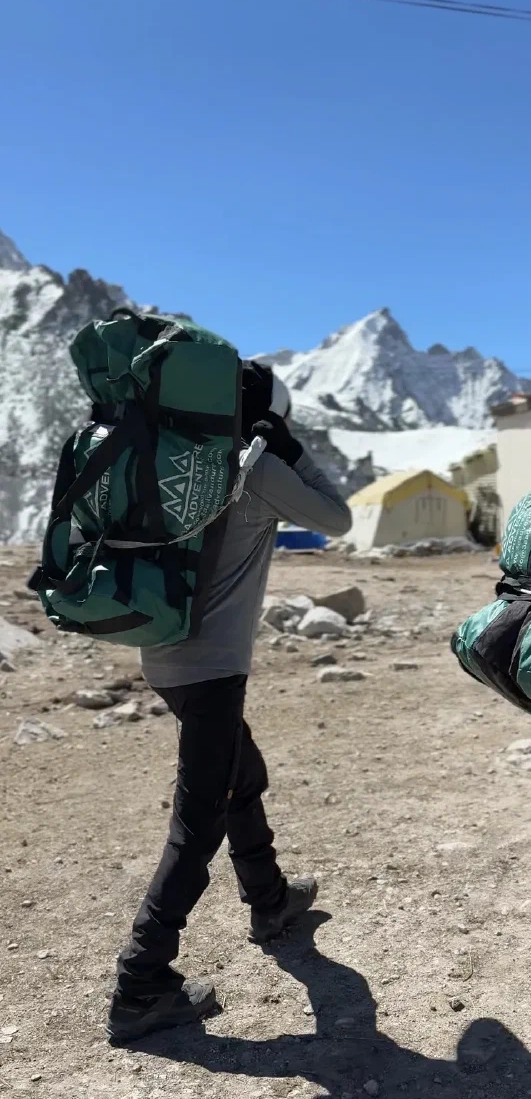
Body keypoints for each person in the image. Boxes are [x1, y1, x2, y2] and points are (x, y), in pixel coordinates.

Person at [107, 365, 352, 1043]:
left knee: (243, 772)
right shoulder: (256, 473)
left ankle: (269, 899)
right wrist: (288, 446)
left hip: (160, 655)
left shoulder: (176, 462)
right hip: (213, 667)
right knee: (198, 820)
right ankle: (140, 982)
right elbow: (337, 516)